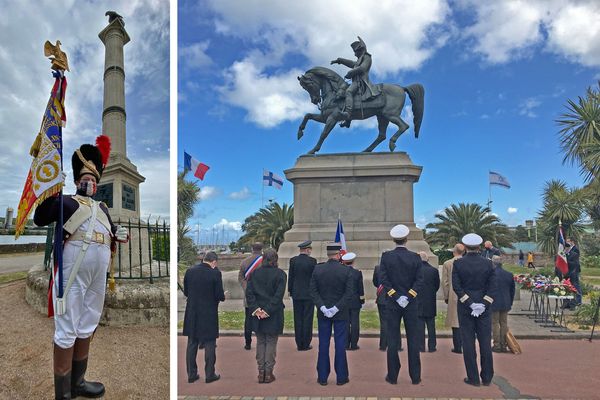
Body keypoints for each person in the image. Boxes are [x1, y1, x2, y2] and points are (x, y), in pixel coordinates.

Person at [34, 136, 129, 400]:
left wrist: (119, 234)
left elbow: (110, 234)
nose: (91, 183)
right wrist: (52, 188)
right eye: (86, 179)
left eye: (94, 179)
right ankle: (63, 393)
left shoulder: (103, 209)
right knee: (67, 328)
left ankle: (78, 382)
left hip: (98, 275)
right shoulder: (65, 202)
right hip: (72, 272)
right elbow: (40, 218)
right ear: (77, 181)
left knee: (88, 323)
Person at [379, 224, 424, 385]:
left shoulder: (386, 257)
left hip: (392, 303)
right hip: (410, 304)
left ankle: (393, 376)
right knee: (413, 340)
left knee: (392, 340)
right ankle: (415, 376)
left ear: (394, 239)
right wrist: (409, 296)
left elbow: (383, 279)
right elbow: (419, 280)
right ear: (406, 239)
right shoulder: (415, 257)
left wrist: (396, 296)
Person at [452, 233, 497, 387]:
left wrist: (470, 304)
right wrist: (483, 304)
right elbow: (493, 287)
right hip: (484, 309)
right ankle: (487, 377)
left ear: (465, 247)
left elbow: (457, 287)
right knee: (485, 343)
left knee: (468, 343)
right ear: (479, 247)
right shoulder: (488, 263)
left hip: (465, 309)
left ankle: (473, 378)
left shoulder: (458, 264)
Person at [310, 242, 353, 386]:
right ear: (338, 254)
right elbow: (348, 294)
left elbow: (313, 291)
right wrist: (336, 308)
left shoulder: (317, 270)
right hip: (340, 314)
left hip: (324, 313)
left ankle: (322, 377)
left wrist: (322, 307)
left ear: (327, 254)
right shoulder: (346, 270)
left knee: (323, 345)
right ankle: (341, 377)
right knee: (340, 345)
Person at [183, 251, 225, 384]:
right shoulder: (215, 273)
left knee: (192, 343)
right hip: (209, 312)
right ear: (214, 262)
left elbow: (186, 292)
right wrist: (223, 295)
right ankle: (209, 374)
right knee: (209, 343)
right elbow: (219, 295)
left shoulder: (190, 271)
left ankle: (191, 374)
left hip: (193, 312)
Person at [246, 248, 287, 384]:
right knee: (270, 342)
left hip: (259, 313)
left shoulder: (255, 273)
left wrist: (257, 309)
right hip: (273, 313)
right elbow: (278, 296)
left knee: (261, 341)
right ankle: (268, 372)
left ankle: (261, 372)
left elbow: (249, 293)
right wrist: (266, 310)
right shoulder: (280, 274)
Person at [331, 36, 380, 128]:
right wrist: (339, 60)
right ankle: (347, 121)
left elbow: (363, 68)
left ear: (360, 50)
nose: (354, 54)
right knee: (342, 89)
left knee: (348, 92)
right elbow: (352, 64)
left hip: (361, 83)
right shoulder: (359, 60)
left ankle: (347, 114)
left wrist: (351, 72)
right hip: (355, 82)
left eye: (355, 52)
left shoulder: (367, 57)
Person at [288, 240, 317, 351]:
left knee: (298, 319)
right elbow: (314, 279)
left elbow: (291, 277)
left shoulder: (293, 261)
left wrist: (290, 290)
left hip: (297, 294)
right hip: (309, 294)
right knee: (307, 319)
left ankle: (299, 343)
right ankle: (306, 343)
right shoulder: (312, 261)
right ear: (308, 249)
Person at [238, 242, 264, 350]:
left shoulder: (244, 262)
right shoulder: (264, 261)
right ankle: (261, 342)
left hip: (249, 297)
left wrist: (247, 289)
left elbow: (240, 278)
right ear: (262, 249)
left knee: (248, 320)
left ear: (252, 249)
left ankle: (248, 343)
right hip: (262, 295)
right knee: (262, 320)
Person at [442, 243, 465, 354]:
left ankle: (457, 346)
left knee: (455, 321)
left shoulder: (448, 263)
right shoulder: (466, 262)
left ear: (454, 251)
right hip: (467, 295)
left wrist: (446, 296)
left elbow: (445, 282)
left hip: (454, 294)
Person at [490, 255, 515, 353]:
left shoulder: (491, 274)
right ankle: (503, 345)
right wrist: (510, 302)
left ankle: (496, 345)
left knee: (495, 323)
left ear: (493, 263)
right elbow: (512, 290)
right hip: (505, 302)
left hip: (494, 302)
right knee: (504, 323)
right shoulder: (509, 274)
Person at [341, 252, 365, 350]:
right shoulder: (357, 273)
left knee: (345, 323)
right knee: (355, 323)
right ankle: (354, 344)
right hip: (355, 301)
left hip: (344, 301)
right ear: (353, 262)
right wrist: (362, 299)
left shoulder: (341, 272)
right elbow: (360, 288)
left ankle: (346, 344)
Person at [417, 251, 440, 353]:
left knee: (420, 326)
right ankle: (432, 346)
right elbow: (436, 285)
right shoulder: (434, 270)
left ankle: (421, 346)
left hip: (418, 300)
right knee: (431, 326)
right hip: (430, 300)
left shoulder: (415, 271)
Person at [565, 239, 582, 309]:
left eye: (569, 241)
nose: (567, 242)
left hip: (574, 271)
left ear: (572, 241)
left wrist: (567, 262)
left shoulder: (575, 250)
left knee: (576, 286)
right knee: (567, 286)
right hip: (568, 271)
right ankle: (568, 302)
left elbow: (576, 263)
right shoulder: (566, 251)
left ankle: (578, 301)